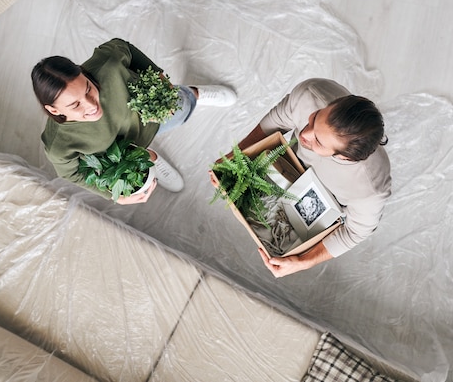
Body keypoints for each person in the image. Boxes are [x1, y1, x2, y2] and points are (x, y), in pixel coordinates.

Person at [32, 38, 236, 205]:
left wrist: (159, 76)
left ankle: (194, 93)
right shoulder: (58, 145)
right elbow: (72, 174)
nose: (91, 105)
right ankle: (152, 159)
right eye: (75, 105)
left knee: (181, 107)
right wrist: (115, 197)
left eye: (88, 89)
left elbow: (123, 47)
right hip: (123, 154)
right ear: (53, 110)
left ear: (83, 73)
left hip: (147, 115)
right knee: (144, 162)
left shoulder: (107, 67)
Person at [223, 78, 392, 277]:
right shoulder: (311, 94)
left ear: (344, 157)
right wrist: (236, 156)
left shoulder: (370, 190)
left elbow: (354, 232)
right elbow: (275, 122)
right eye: (315, 118)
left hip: (323, 210)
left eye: (318, 141)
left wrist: (303, 262)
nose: (305, 133)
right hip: (289, 170)